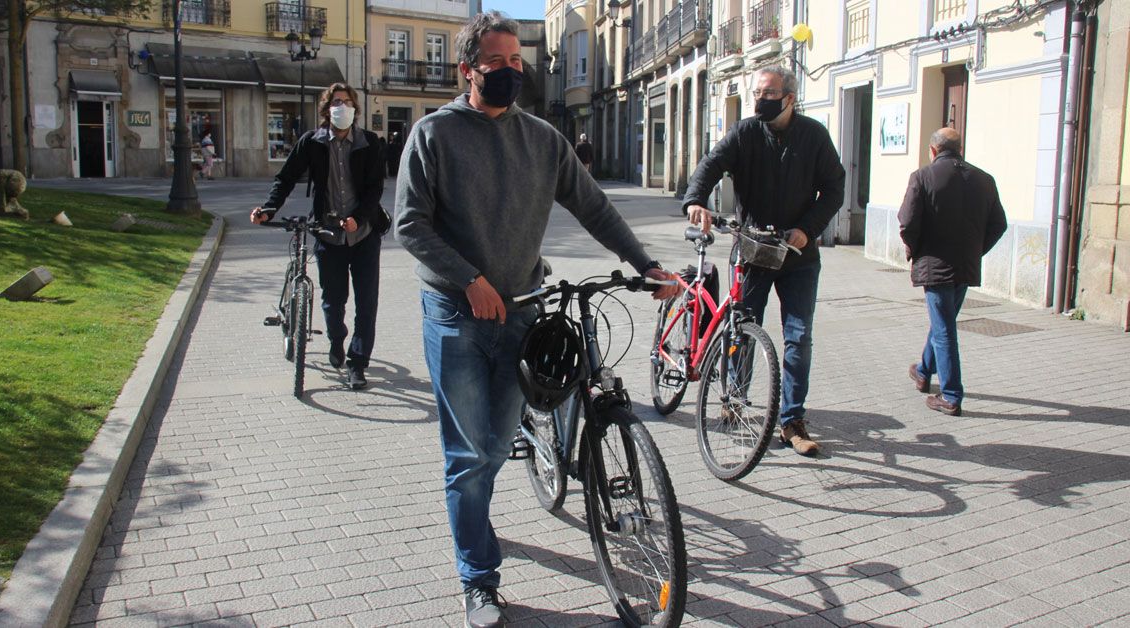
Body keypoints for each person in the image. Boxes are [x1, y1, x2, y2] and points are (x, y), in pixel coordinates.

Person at [393, 12, 680, 628]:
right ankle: (479, 578)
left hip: (522, 310)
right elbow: (409, 224)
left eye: (517, 62)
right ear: (469, 69)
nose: (510, 73)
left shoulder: (543, 139)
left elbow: (595, 207)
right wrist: (468, 280)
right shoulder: (435, 135)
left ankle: (473, 514)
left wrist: (646, 263)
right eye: (497, 64)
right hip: (456, 314)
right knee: (469, 455)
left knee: (498, 444)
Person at [682, 64, 845, 457]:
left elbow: (835, 188)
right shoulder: (745, 133)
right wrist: (695, 199)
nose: (759, 100)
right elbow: (712, 163)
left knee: (799, 336)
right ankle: (734, 400)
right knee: (742, 331)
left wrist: (809, 228)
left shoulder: (814, 136)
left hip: (798, 255)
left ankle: (792, 421)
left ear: (789, 98)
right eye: (757, 93)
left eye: (768, 94)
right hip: (753, 251)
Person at [250, 83, 386, 390]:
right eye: (336, 102)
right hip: (327, 232)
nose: (342, 107)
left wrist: (359, 218)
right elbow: (285, 178)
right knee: (333, 299)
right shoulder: (312, 142)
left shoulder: (369, 142)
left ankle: (358, 362)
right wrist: (269, 209)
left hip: (364, 233)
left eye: (348, 102)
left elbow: (375, 188)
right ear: (327, 109)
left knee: (367, 302)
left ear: (355, 108)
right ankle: (336, 340)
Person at [899, 127, 1007, 416]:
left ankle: (950, 395)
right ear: (960, 149)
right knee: (943, 322)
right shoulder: (984, 179)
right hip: (965, 265)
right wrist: (977, 250)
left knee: (944, 328)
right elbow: (999, 224)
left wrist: (914, 248)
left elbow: (908, 223)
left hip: (935, 265)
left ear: (933, 150)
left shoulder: (922, 177)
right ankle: (923, 370)